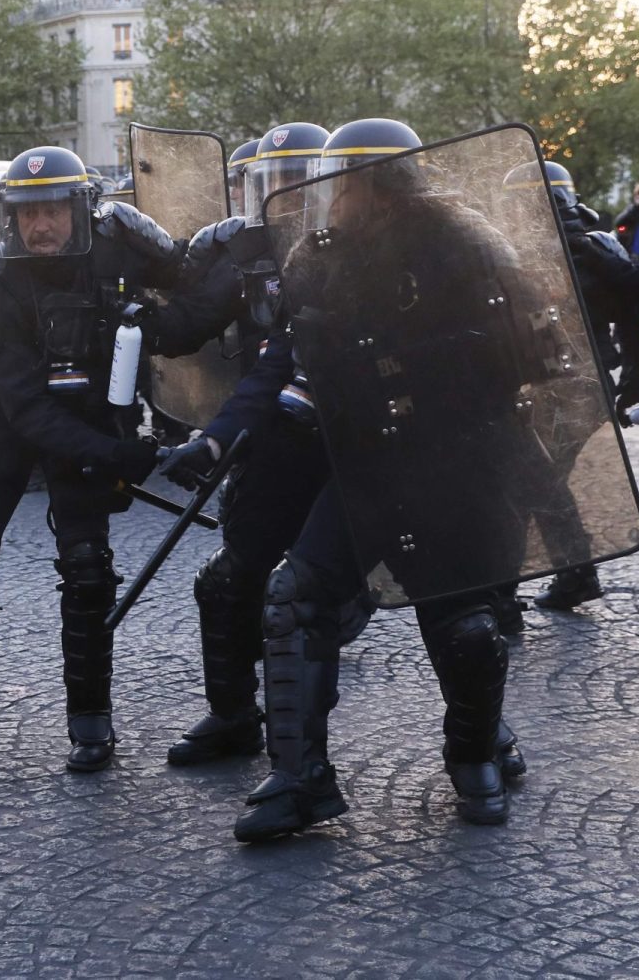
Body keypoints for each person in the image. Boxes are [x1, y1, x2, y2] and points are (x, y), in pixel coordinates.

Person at [230, 119, 533, 840]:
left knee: (468, 629)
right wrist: (228, 433)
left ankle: (476, 755)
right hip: (365, 461)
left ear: (382, 183)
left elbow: (521, 353)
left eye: (349, 184)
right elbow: (289, 352)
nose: (334, 199)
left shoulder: (462, 245)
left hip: (451, 464)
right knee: (293, 595)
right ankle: (301, 777)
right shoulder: (319, 255)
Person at [0, 146, 180, 772]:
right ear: (8, 216)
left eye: (54, 209)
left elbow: (190, 288)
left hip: (93, 412)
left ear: (80, 207)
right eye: (26, 213)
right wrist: (117, 454)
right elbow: (27, 409)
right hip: (10, 420)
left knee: (88, 571)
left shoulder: (120, 242)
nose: (40, 226)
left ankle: (91, 720)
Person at [151, 122, 335, 766]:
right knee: (231, 580)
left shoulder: (351, 246)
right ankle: (233, 716)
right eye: (272, 180)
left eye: (299, 178)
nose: (286, 192)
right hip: (274, 431)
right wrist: (129, 311)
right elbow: (195, 327)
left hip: (368, 440)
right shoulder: (245, 251)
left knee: (445, 599)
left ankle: (483, 734)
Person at [507, 160, 639, 612]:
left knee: (529, 484)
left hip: (572, 388)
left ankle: (501, 596)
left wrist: (634, 378)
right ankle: (573, 577)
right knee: (541, 483)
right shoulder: (590, 247)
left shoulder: (578, 250)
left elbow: (632, 311)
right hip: (569, 386)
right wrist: (632, 379)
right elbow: (632, 318)